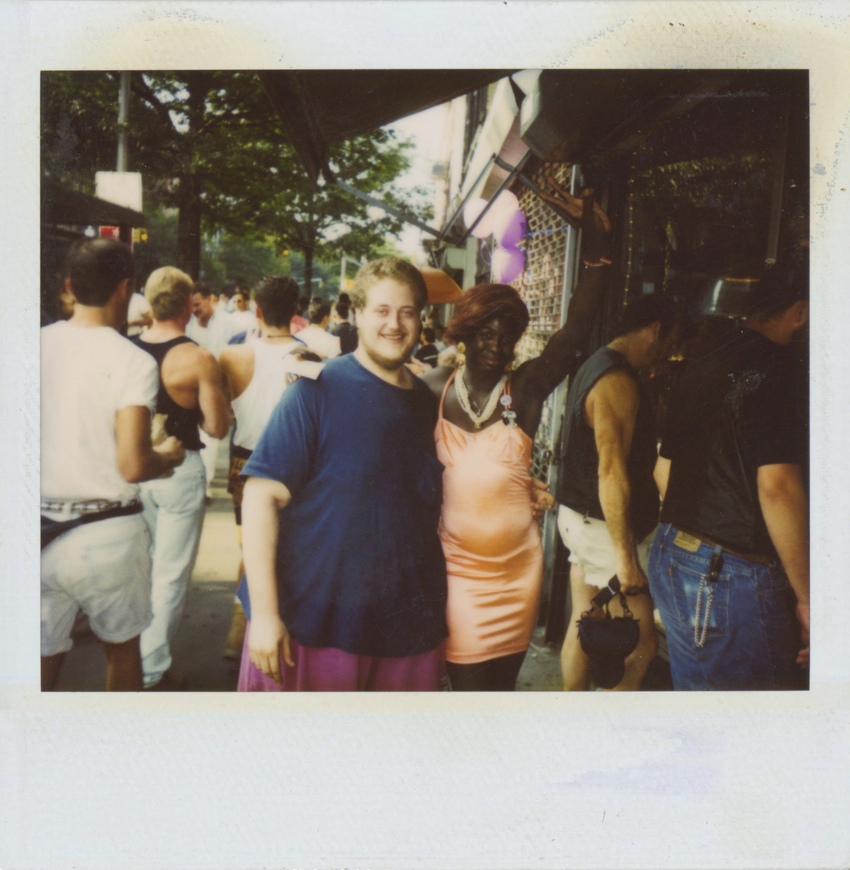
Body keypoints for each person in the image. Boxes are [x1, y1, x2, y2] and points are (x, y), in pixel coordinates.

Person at [421, 184, 611, 691]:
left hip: (517, 576)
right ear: (464, 333)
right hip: (455, 572)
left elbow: (575, 332)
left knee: (499, 693)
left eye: (507, 336)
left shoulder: (523, 390)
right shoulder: (433, 390)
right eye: (486, 333)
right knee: (469, 690)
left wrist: (596, 245)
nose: (497, 345)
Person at [238, 257, 447, 691]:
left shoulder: (426, 403)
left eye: (407, 312)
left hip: (404, 629)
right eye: (382, 310)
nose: (395, 324)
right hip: (312, 627)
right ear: (357, 315)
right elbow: (260, 497)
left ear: (421, 319)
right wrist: (266, 615)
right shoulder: (315, 390)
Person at [648, 254, 809, 690]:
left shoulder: (702, 360)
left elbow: (663, 471)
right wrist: (809, 599)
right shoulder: (781, 371)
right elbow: (778, 488)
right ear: (800, 311)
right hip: (728, 574)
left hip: (672, 552)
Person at [41, 238, 185, 691]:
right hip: (107, 536)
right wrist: (168, 456)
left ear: (69, 286)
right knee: (121, 654)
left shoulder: (31, 345)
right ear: (125, 289)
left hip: (37, 530)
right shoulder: (132, 360)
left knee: (40, 658)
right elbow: (133, 464)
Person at [556, 293, 676, 691]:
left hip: (581, 519)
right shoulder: (618, 379)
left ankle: (572, 713)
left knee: (584, 621)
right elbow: (610, 470)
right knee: (641, 645)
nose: (669, 353)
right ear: (654, 330)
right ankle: (611, 723)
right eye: (670, 342)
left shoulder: (595, 364)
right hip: (603, 529)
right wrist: (626, 560)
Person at [131, 266, 230, 690]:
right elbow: (217, 428)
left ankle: (131, 659)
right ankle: (151, 668)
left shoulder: (128, 350)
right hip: (178, 471)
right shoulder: (198, 358)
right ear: (189, 304)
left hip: (134, 468)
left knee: (141, 570)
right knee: (169, 575)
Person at [218, 274, 307, 660]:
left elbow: (223, 410)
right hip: (293, 463)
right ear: (295, 311)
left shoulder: (231, 356)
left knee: (251, 544)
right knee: (287, 544)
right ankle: (263, 623)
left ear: (257, 310)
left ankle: (241, 627)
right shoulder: (310, 358)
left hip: (246, 461)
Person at [186, 281, 239, 499]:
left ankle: (205, 484)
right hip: (189, 386)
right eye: (191, 305)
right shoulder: (187, 322)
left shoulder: (228, 323)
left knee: (211, 436)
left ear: (210, 300)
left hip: (216, 386)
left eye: (198, 304)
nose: (194, 309)